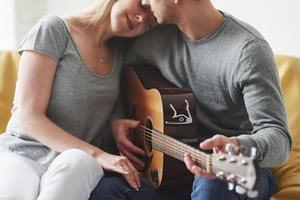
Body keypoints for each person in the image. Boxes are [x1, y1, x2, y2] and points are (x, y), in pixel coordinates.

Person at [92, 0, 292, 199]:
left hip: (234, 172)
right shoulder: (152, 38)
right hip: (172, 174)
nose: (144, 1)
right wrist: (117, 120)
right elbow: (123, 78)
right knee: (107, 189)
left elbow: (279, 138)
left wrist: (236, 147)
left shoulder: (247, 50)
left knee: (211, 183)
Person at [0, 0, 158, 199]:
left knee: (80, 161)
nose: (141, 18)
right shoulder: (53, 29)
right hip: (21, 152)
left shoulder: (120, 53)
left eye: (150, 23)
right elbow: (28, 117)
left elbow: (109, 101)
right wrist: (100, 155)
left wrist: (115, 123)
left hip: (76, 164)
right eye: (143, 6)